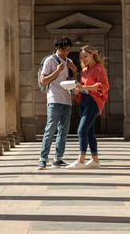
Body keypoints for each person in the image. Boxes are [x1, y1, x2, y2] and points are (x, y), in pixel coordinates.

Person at [66, 45, 109, 170]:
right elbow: (82, 86)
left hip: (94, 102)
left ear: (92, 54)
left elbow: (103, 86)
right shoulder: (84, 70)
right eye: (81, 57)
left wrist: (84, 88)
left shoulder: (99, 69)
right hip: (84, 101)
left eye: (85, 56)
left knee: (81, 130)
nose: (83, 59)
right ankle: (95, 160)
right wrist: (77, 91)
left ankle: (81, 160)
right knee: (89, 131)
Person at [37, 37, 77, 170]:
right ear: (56, 48)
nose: (65, 53)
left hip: (67, 99)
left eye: (67, 50)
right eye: (62, 50)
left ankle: (58, 159)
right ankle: (43, 159)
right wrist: (58, 71)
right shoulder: (50, 60)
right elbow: (43, 80)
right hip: (54, 98)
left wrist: (75, 71)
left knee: (64, 131)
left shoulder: (69, 61)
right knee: (50, 129)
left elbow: (71, 82)